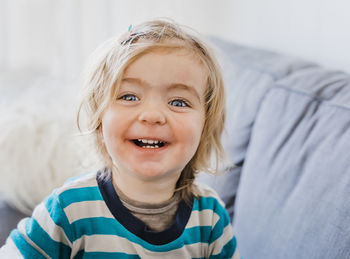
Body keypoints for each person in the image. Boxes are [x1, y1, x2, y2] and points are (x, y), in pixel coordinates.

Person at [0, 19, 240, 258]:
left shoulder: (210, 217)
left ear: (205, 126)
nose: (152, 115)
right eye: (129, 97)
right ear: (99, 118)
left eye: (178, 102)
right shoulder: (69, 208)